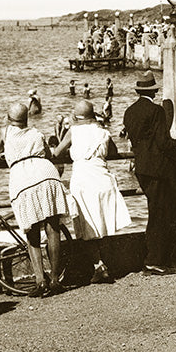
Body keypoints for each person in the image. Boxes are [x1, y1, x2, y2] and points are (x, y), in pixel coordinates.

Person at [0, 103, 70, 296]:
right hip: (46, 173)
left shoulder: (4, 132)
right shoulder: (37, 133)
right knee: (53, 228)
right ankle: (54, 279)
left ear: (8, 118)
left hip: (23, 179)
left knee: (32, 231)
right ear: (27, 118)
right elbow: (47, 153)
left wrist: (7, 156)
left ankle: (40, 281)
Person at [55, 100, 130, 283]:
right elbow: (112, 152)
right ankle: (103, 263)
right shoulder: (103, 132)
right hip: (103, 180)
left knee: (86, 225)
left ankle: (99, 266)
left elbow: (57, 152)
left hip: (83, 181)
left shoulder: (73, 131)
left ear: (76, 116)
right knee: (101, 223)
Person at [123, 73, 176, 275]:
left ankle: (155, 259)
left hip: (141, 167)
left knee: (155, 211)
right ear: (153, 91)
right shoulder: (157, 111)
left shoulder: (129, 111)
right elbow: (162, 142)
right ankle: (154, 261)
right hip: (158, 169)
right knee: (160, 215)